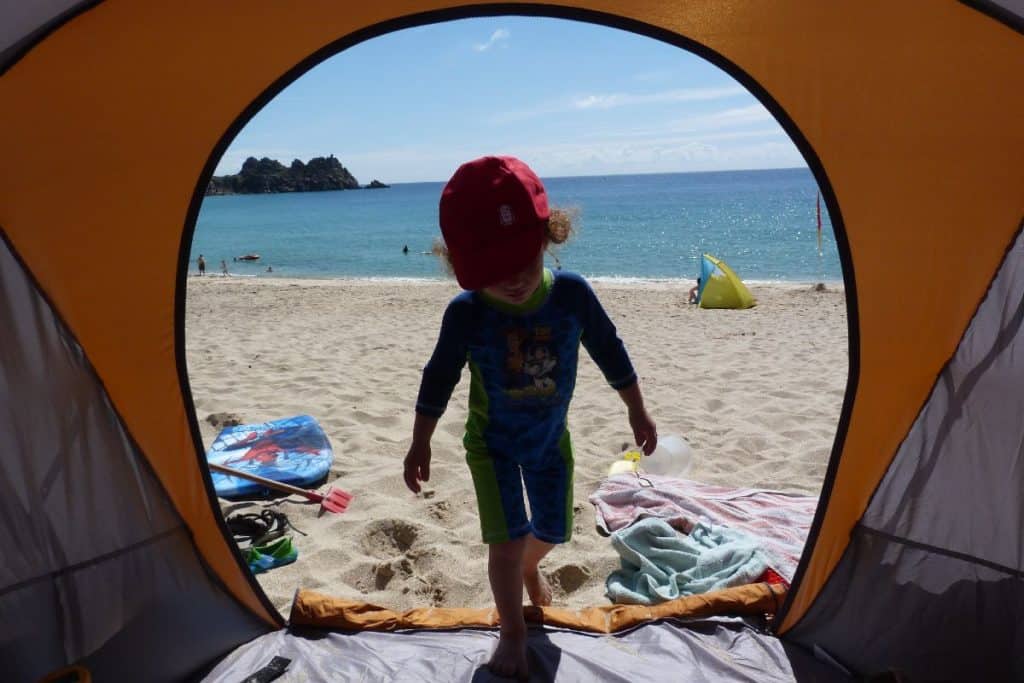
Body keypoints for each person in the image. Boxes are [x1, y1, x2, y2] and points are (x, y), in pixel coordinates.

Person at [403, 156, 657, 679]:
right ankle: (512, 632)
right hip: (491, 444)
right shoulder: (467, 311)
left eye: (522, 262)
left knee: (553, 529)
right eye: (493, 272)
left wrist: (637, 408)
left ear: (549, 235)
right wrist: (419, 441)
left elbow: (610, 349)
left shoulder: (571, 295)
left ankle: (528, 568)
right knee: (507, 537)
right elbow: (439, 377)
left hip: (549, 440)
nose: (513, 281)